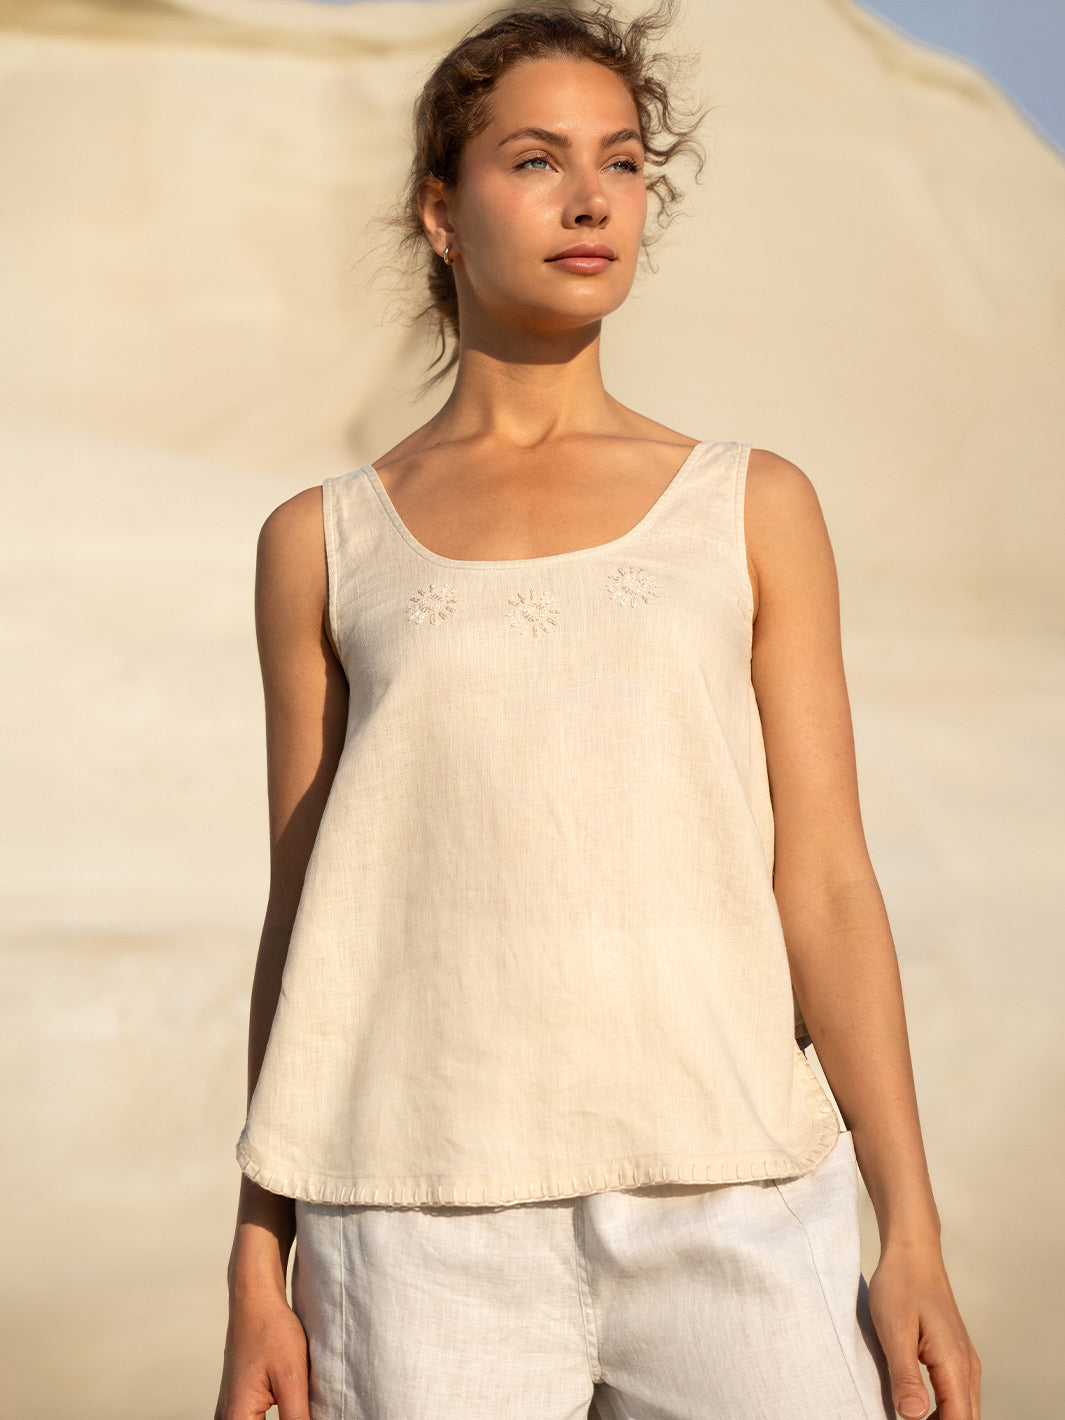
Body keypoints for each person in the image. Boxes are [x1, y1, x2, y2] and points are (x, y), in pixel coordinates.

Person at [214, 2, 982, 1417]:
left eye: (622, 162)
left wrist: (909, 1233)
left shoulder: (750, 506)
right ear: (440, 213)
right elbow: (304, 920)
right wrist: (257, 1266)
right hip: (414, 1221)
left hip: (735, 1198)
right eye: (534, 161)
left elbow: (821, 885)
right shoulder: (322, 542)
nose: (589, 199)